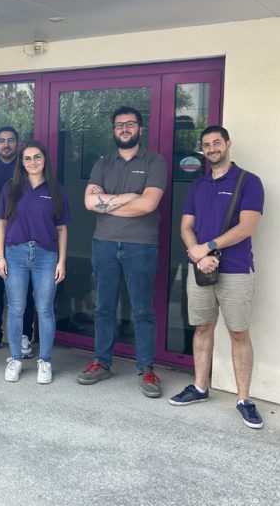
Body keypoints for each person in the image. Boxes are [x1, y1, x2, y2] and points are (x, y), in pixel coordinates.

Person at [169, 126, 265, 429]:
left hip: (235, 269)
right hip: (200, 269)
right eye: (206, 145)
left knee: (238, 333)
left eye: (216, 143)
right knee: (202, 328)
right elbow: (186, 227)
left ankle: (244, 400)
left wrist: (209, 247)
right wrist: (198, 254)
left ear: (227, 145)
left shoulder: (249, 182)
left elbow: (247, 227)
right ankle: (199, 387)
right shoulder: (197, 186)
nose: (211, 148)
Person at [77, 106, 167, 398]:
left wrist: (110, 202)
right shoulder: (103, 163)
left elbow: (148, 205)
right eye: (119, 125)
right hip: (103, 243)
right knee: (103, 306)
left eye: (130, 124)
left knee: (142, 309)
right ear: (113, 131)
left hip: (141, 245)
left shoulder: (155, 162)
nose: (124, 129)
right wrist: (130, 197)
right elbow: (89, 203)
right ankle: (102, 362)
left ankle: (146, 369)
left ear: (141, 129)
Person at [0, 141, 69, 384]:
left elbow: (61, 228)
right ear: (22, 162)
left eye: (37, 157)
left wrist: (62, 261)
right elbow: (2, 223)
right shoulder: (11, 187)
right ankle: (15, 359)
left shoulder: (56, 189)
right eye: (27, 158)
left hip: (45, 256)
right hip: (14, 253)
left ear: (44, 160)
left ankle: (45, 361)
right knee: (16, 309)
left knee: (45, 310)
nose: (33, 162)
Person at [0, 126, 36, 358]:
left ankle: (24, 335)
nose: (6, 145)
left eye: (11, 141)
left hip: (23, 240)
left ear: (18, 144)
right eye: (2, 141)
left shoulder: (26, 170)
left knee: (24, 291)